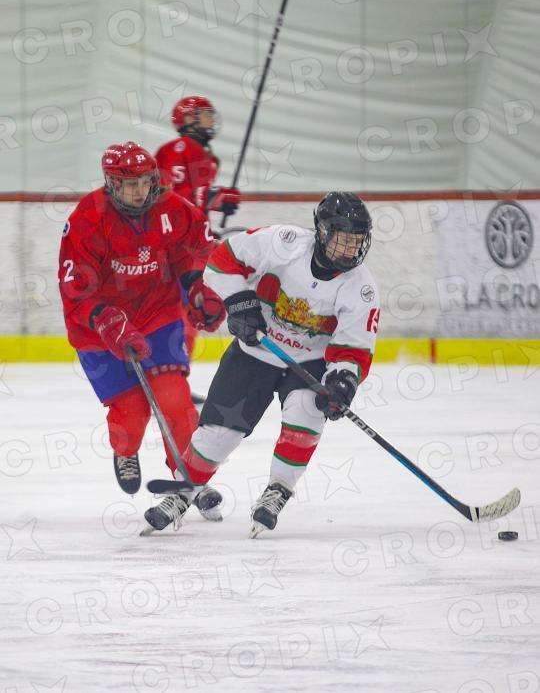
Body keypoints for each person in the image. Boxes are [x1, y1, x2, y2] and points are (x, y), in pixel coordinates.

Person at [143, 192, 380, 536]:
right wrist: (240, 304)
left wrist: (342, 382)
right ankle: (181, 492)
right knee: (220, 432)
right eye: (343, 239)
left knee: (305, 415)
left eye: (356, 241)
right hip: (255, 350)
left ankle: (278, 491)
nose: (350, 250)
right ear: (322, 232)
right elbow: (223, 259)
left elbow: (353, 349)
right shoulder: (283, 243)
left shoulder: (361, 289)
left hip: (310, 362)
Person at [58, 141, 226, 519]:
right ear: (111, 184)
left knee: (175, 401)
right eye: (129, 184)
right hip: (97, 330)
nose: (139, 190)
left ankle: (191, 478)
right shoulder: (87, 219)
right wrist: (105, 319)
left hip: (156, 316)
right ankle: (125, 449)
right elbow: (74, 288)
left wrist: (199, 290)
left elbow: (195, 252)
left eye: (145, 181)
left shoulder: (174, 208)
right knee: (131, 413)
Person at [154, 95, 241, 403]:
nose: (210, 120)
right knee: (180, 314)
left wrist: (218, 199)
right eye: (204, 115)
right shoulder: (180, 149)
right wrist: (197, 233)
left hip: (188, 247)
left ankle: (175, 380)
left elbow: (194, 198)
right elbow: (172, 198)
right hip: (175, 249)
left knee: (190, 314)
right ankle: (165, 381)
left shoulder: (204, 155)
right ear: (188, 119)